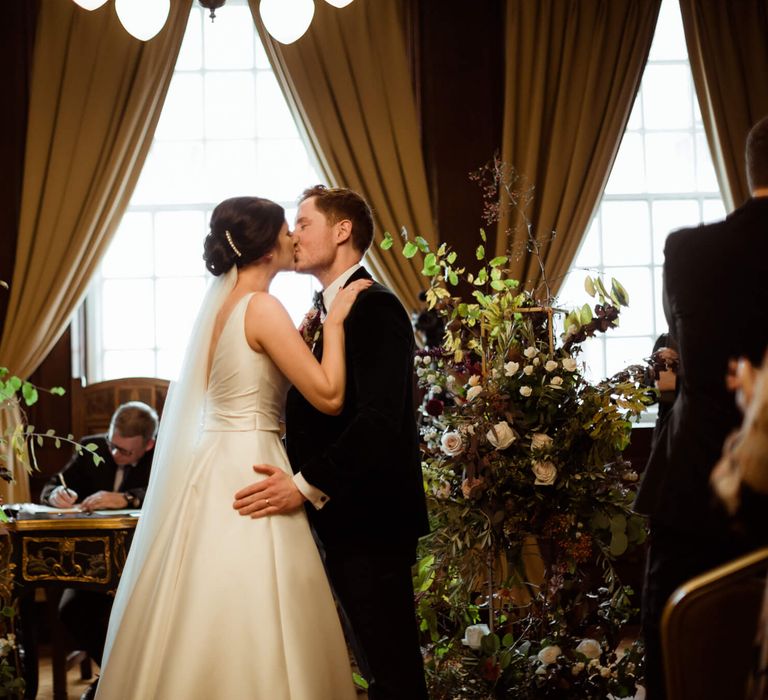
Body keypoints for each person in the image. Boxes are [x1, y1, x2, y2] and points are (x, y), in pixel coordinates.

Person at [95, 196, 369, 699]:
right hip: (253, 462)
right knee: (260, 597)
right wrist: (332, 326)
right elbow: (329, 396)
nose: (293, 239)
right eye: (287, 230)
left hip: (213, 464)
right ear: (266, 248)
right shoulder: (262, 307)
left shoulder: (223, 309)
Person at [233, 185, 430, 699]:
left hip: (371, 521)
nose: (292, 236)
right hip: (337, 519)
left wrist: (303, 485)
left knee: (393, 670)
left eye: (303, 223)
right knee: (371, 664)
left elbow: (380, 423)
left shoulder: (375, 307)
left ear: (342, 231)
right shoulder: (325, 311)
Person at [634, 114, 768, 699]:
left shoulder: (690, 252)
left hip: (701, 488)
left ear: (749, 171)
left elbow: (688, 355)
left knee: (682, 655)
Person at [39, 401, 157, 699]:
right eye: (112, 445)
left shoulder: (163, 453)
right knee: (71, 609)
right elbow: (53, 484)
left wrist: (127, 498)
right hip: (92, 560)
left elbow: (171, 492)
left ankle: (132, 680)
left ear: (149, 443)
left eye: (126, 451)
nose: (115, 455)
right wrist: (56, 495)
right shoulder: (92, 448)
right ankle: (118, 677)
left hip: (144, 561)